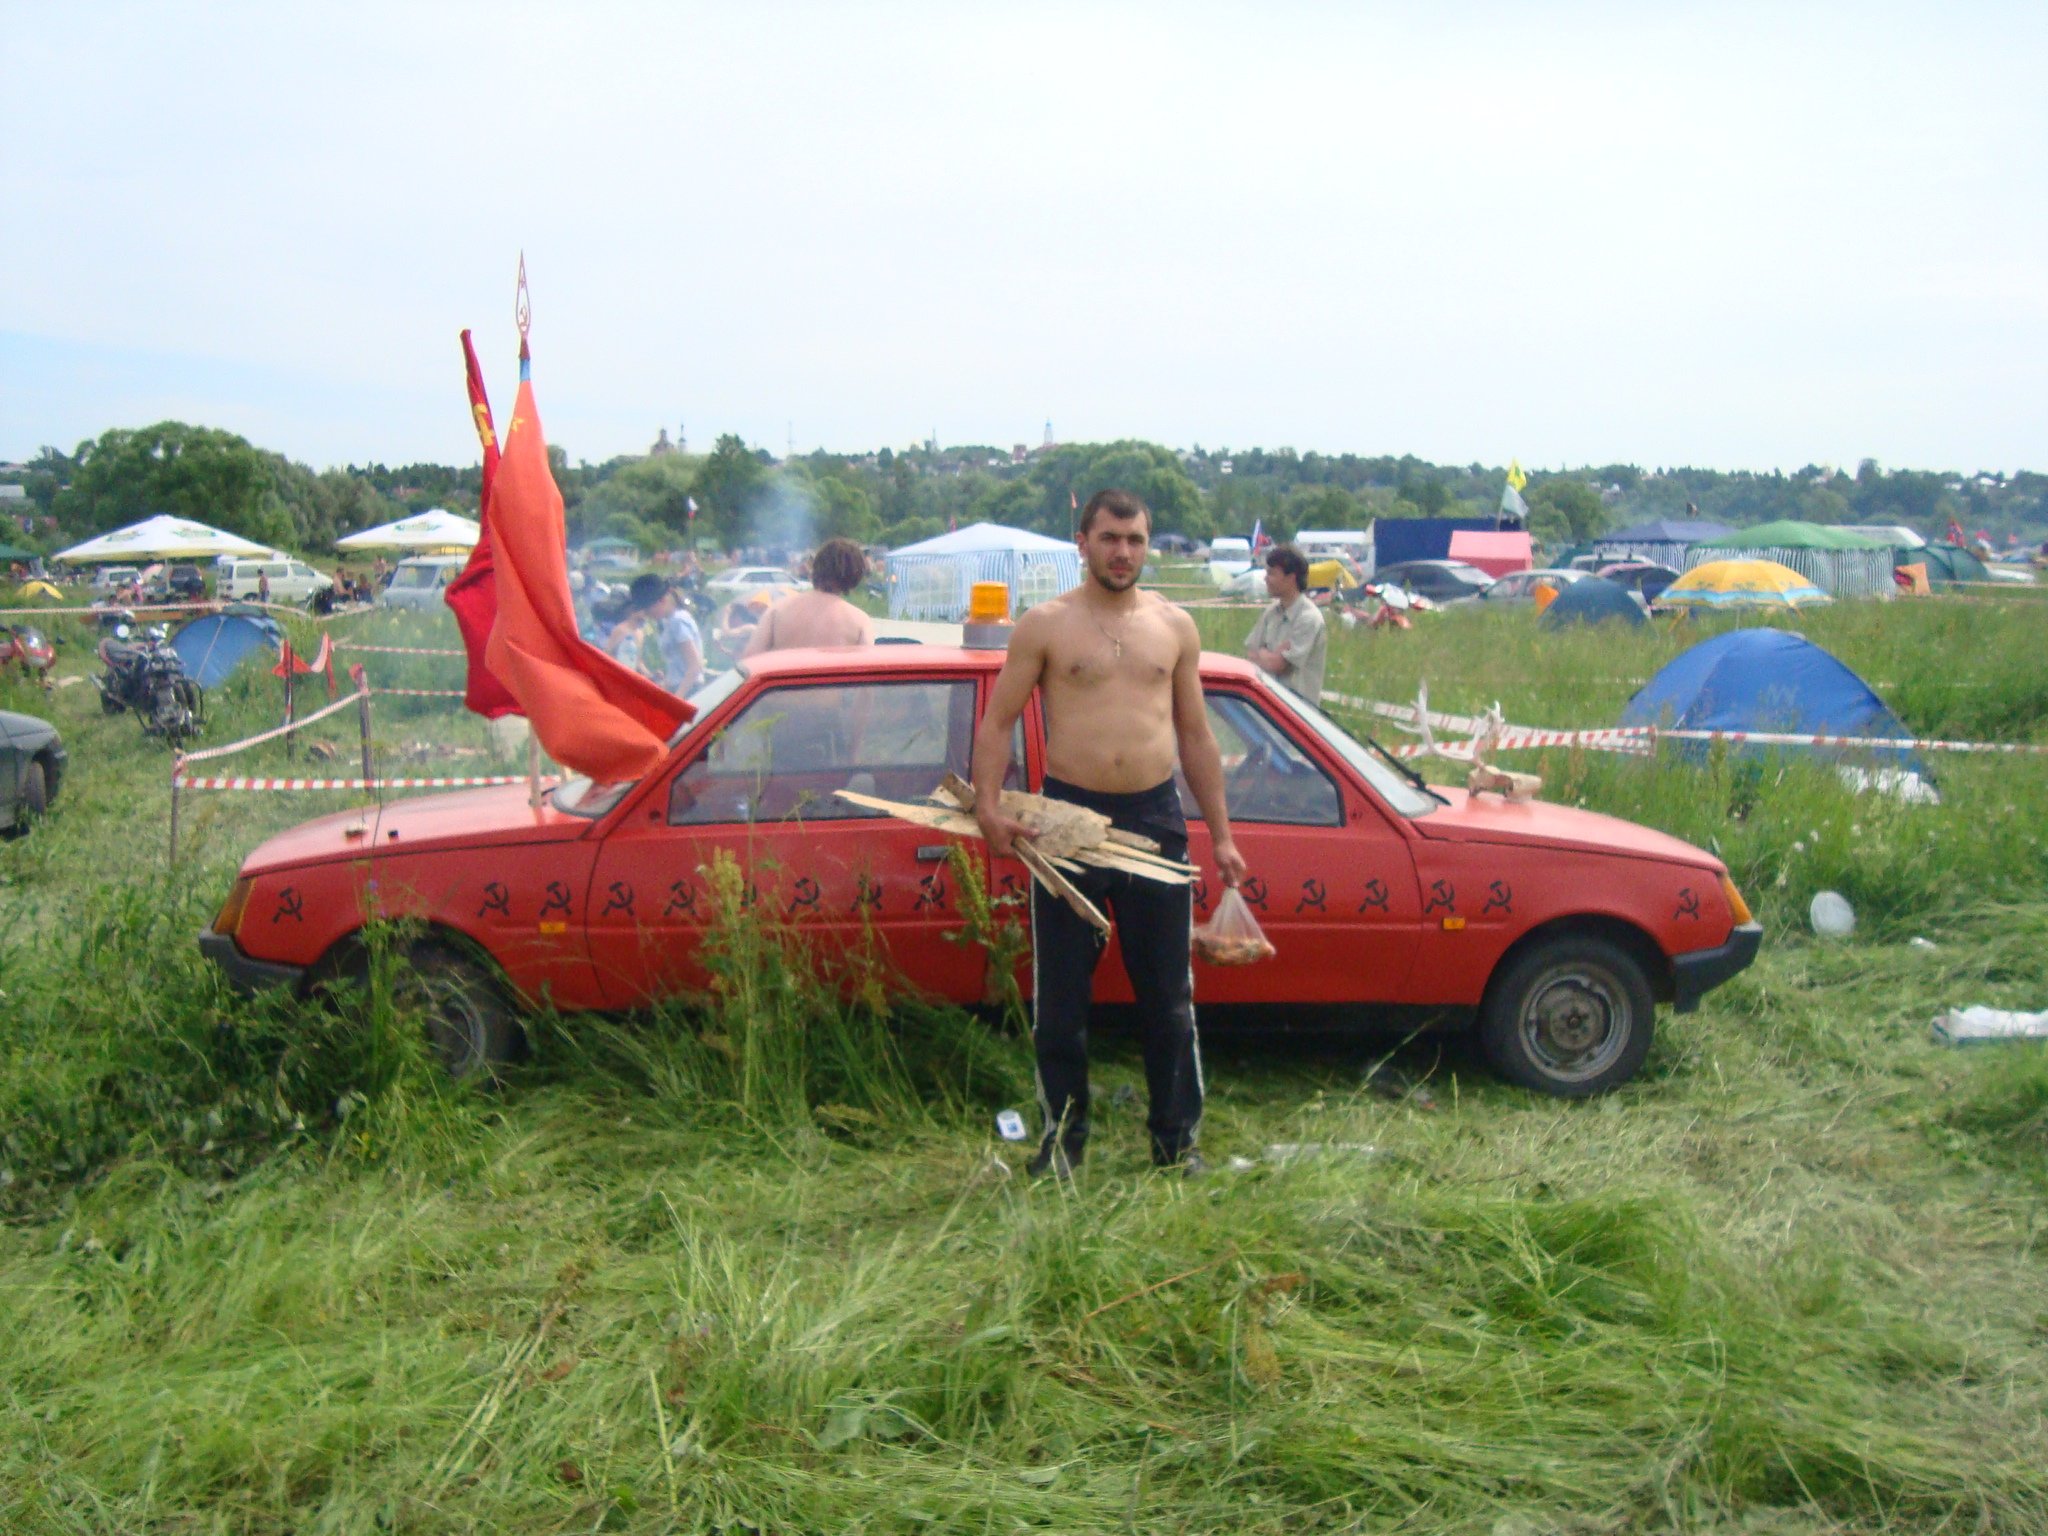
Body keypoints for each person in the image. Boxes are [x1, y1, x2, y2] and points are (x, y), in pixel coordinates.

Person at [971, 488, 1248, 1179]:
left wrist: (1221, 835)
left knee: (1169, 998)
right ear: (1083, 542)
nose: (1123, 552)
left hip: (1155, 821)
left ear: (1147, 545)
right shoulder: (1045, 625)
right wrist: (987, 807)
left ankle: (1176, 1144)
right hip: (1068, 822)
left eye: (1135, 540)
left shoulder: (1175, 626)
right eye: (1110, 538)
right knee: (1062, 1001)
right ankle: (1062, 1145)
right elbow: (998, 721)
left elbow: (1196, 735)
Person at [744, 537, 875, 654]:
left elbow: (751, 659)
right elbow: (866, 668)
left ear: (816, 567)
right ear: (854, 576)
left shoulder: (777, 610)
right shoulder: (860, 621)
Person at [1244, 544, 1328, 703]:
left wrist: (1264, 653)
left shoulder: (1309, 618)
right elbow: (1250, 655)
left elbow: (1279, 666)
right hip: (1268, 706)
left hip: (1297, 711)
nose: (1266, 579)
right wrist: (1270, 656)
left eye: (1272, 573)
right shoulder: (1270, 612)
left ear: (1291, 578)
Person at [658, 584, 705, 696]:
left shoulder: (678, 620)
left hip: (688, 689)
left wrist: (679, 696)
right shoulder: (669, 621)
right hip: (677, 686)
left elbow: (694, 665)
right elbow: (675, 663)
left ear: (662, 601)